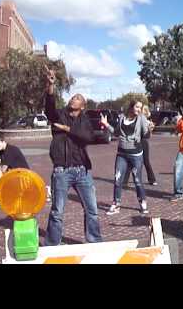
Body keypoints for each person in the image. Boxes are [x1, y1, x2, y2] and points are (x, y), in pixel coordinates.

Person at [44, 66, 102, 246]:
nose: (73, 98)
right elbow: (49, 109)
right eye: (72, 96)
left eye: (77, 98)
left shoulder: (85, 120)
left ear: (82, 106)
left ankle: (94, 241)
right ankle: (52, 244)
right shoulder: (59, 115)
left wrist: (68, 129)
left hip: (82, 171)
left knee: (92, 209)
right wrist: (50, 85)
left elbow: (88, 137)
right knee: (57, 211)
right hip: (62, 171)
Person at [102, 100, 150, 215]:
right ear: (131, 107)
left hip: (136, 154)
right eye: (137, 107)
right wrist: (106, 124)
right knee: (117, 179)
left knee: (137, 180)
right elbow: (116, 133)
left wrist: (150, 129)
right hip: (121, 154)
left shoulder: (141, 118)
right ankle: (116, 204)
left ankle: (142, 202)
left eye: (140, 107)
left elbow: (146, 135)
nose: (139, 109)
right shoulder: (122, 117)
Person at [141, 105, 157, 186]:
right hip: (135, 142)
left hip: (143, 142)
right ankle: (125, 180)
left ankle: (152, 179)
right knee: (131, 161)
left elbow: (148, 136)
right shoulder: (135, 120)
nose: (141, 111)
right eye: (141, 109)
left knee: (146, 160)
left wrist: (150, 129)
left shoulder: (147, 122)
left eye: (143, 110)